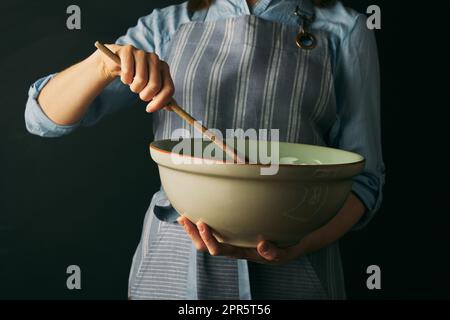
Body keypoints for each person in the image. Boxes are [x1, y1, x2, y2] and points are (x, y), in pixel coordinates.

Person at [25, 0, 385, 299]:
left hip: (297, 266)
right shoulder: (168, 25)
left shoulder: (345, 30)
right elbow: (41, 117)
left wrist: (300, 245)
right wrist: (104, 64)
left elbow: (364, 182)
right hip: (173, 261)